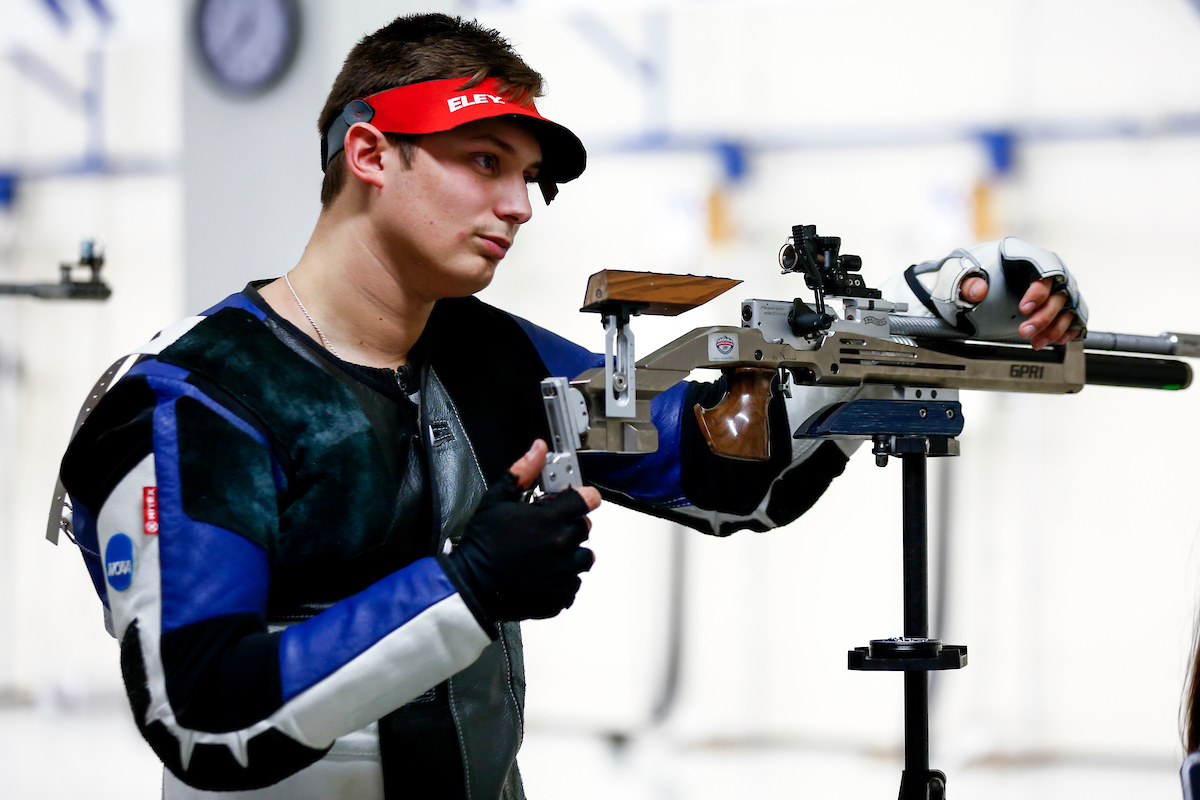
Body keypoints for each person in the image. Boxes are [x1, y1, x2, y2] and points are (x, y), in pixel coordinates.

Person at [53, 13, 1083, 800]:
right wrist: (467, 584)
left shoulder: (486, 354)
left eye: (531, 176)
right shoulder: (200, 394)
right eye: (484, 162)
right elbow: (199, 712)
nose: (518, 205)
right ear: (370, 154)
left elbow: (719, 470)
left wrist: (927, 316)